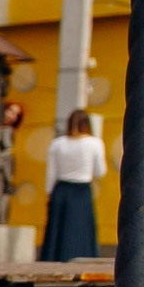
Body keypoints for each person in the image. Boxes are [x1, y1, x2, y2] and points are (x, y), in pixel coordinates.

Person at [40, 110, 107, 261]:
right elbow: (100, 172)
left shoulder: (57, 144)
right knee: (81, 230)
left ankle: (53, 261)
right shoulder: (94, 143)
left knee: (57, 232)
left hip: (61, 190)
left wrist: (49, 194)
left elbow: (51, 173)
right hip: (81, 190)